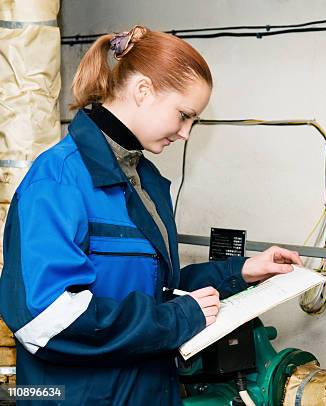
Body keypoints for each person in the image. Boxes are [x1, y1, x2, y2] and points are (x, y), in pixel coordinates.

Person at [0, 25, 302, 404]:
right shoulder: (59, 181)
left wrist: (238, 272)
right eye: (183, 115)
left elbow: (155, 289)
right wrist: (178, 319)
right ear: (142, 91)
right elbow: (46, 320)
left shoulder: (146, 181)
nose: (187, 133)